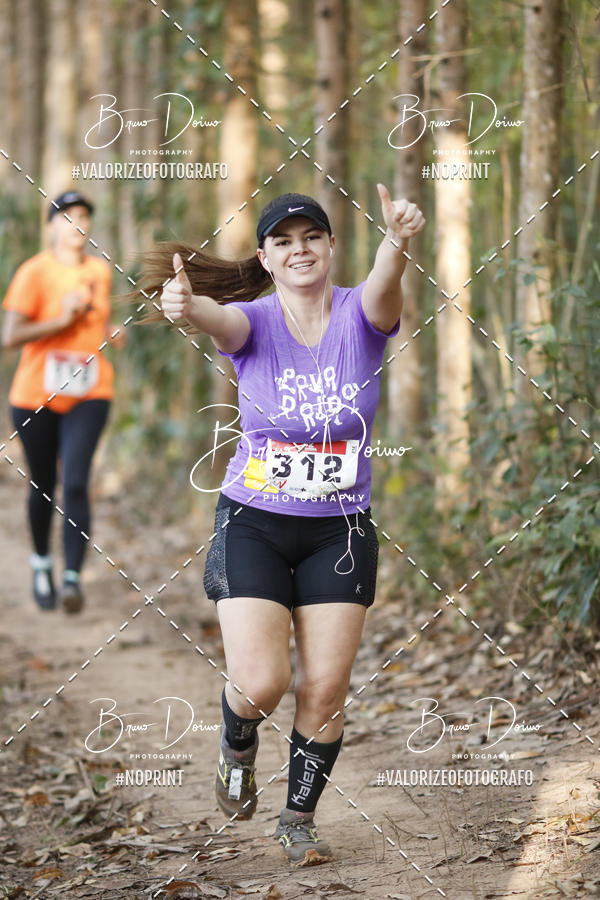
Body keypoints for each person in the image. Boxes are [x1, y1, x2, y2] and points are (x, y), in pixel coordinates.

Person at [148, 183, 425, 865]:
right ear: (267, 259)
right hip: (255, 522)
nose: (299, 249)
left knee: (325, 687)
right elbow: (218, 321)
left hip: (341, 529)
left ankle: (298, 818)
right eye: (282, 241)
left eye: (312, 237)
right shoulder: (255, 323)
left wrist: (397, 241)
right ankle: (238, 737)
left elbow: (388, 285)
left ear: (331, 247)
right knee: (260, 683)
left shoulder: (363, 313)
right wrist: (187, 307)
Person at [1, 190, 124, 613]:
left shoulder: (100, 271)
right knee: (43, 485)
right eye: (68, 217)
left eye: (85, 216)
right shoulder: (33, 273)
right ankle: (41, 564)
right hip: (35, 396)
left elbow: (100, 316)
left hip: (90, 392)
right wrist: (61, 320)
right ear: (51, 224)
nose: (78, 224)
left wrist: (110, 329)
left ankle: (71, 576)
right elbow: (9, 338)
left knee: (75, 481)